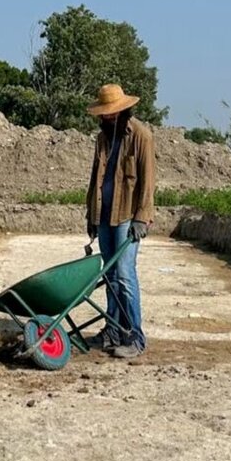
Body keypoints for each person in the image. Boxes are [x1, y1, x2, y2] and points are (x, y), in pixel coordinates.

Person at [85, 84, 155, 359]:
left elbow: (148, 182)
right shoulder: (101, 139)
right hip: (104, 215)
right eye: (106, 114)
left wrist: (143, 217)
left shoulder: (141, 136)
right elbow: (95, 179)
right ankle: (113, 330)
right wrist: (90, 215)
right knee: (111, 275)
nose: (110, 118)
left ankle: (135, 337)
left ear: (125, 110)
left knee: (125, 275)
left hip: (128, 215)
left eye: (115, 113)